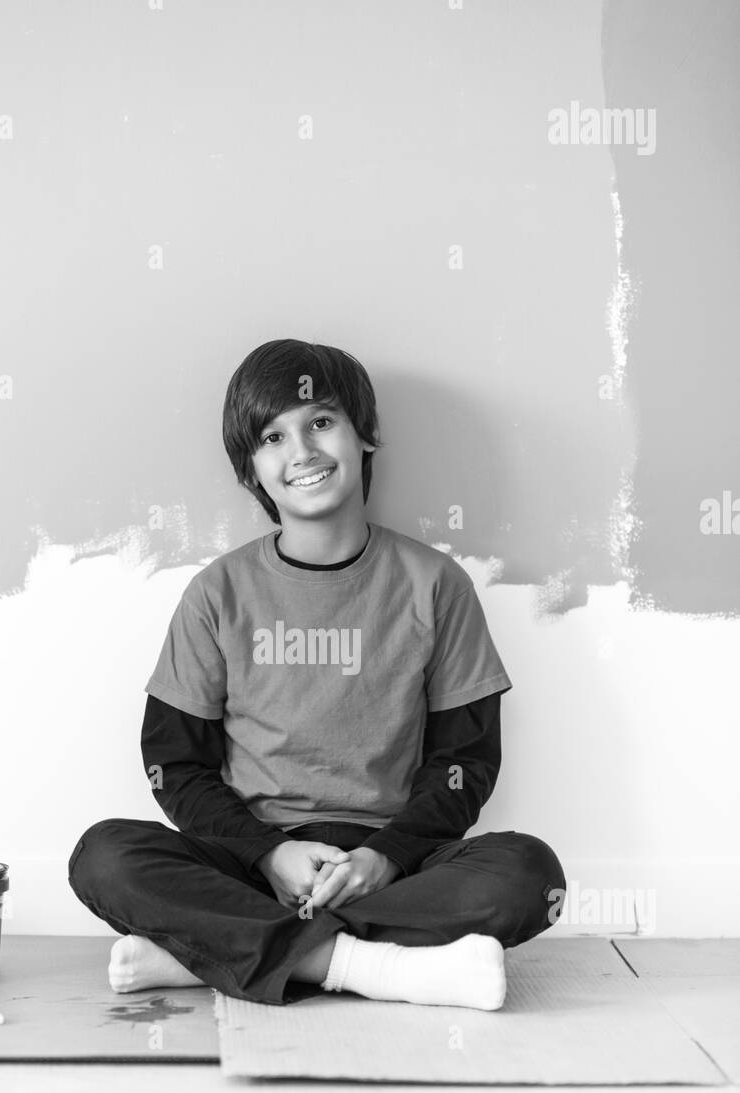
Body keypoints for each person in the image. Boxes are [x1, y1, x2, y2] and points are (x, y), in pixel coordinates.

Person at [68, 339, 565, 1008]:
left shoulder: (435, 585)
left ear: (366, 436)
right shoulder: (217, 594)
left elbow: (464, 762)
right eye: (272, 437)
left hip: (392, 867)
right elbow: (175, 766)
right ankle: (366, 966)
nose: (300, 451)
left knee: (528, 873)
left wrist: (382, 857)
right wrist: (269, 856)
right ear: (251, 469)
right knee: (103, 857)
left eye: (321, 423)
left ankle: (211, 952)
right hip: (250, 865)